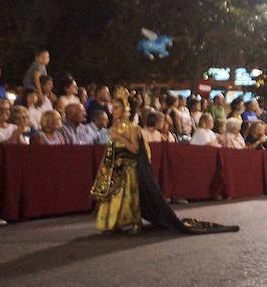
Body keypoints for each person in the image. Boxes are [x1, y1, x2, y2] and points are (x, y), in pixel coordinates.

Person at [91, 89, 238, 234]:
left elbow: (135, 149)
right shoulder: (115, 127)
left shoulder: (133, 128)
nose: (113, 111)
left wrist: (120, 137)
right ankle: (114, 224)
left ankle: (130, 223)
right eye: (113, 107)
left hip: (129, 170)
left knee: (128, 199)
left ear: (125, 109)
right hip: (117, 170)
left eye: (117, 108)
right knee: (116, 198)